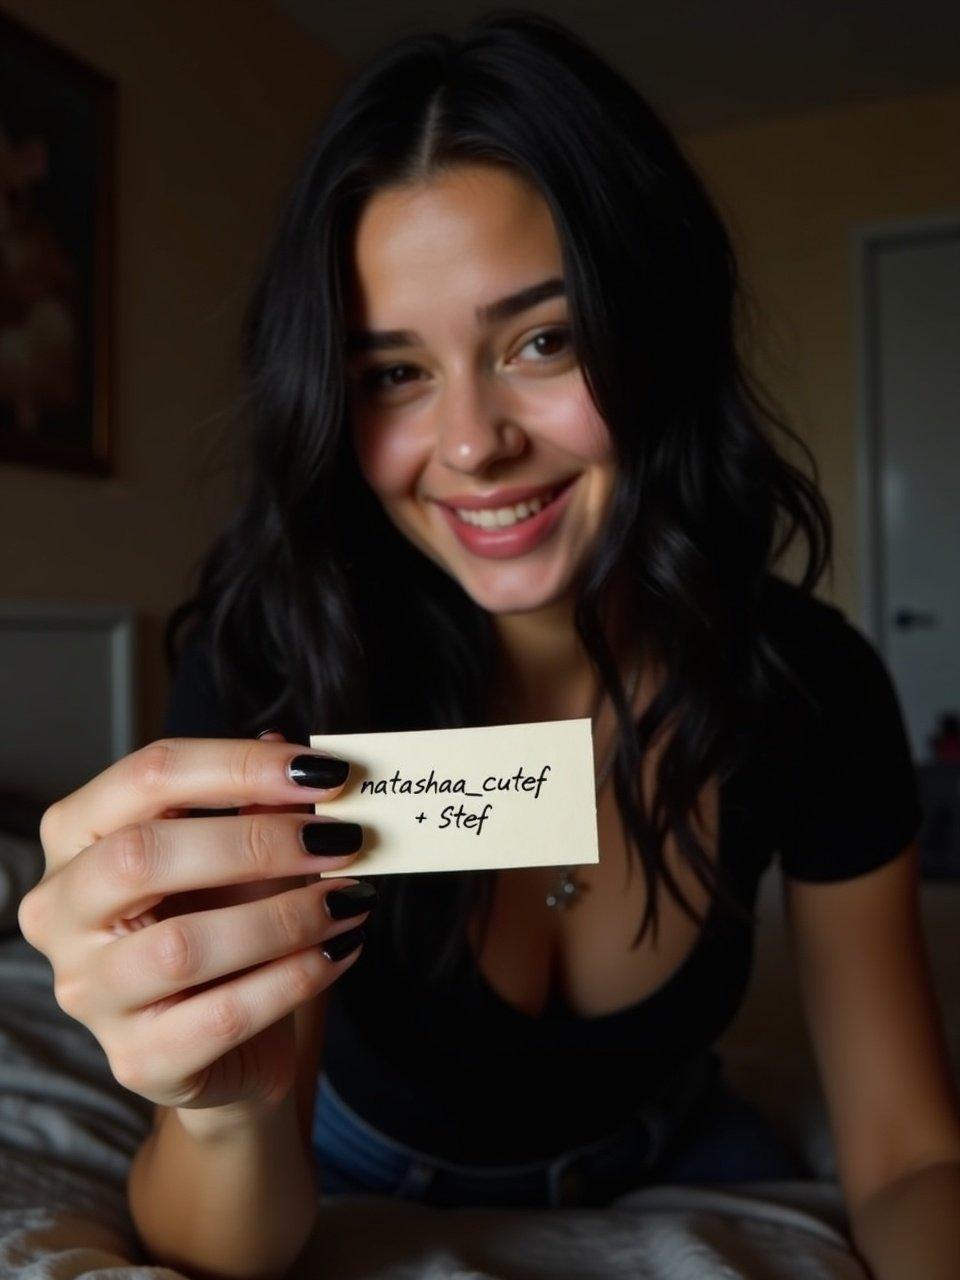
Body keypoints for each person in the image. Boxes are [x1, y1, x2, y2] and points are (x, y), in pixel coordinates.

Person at [18, 12, 960, 1280]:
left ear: (656, 329)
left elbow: (909, 1156)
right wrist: (225, 1110)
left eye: (542, 340)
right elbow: (217, 1239)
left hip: (678, 1142)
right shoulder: (277, 671)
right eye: (393, 373)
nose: (471, 444)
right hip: (354, 1165)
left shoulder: (810, 682)